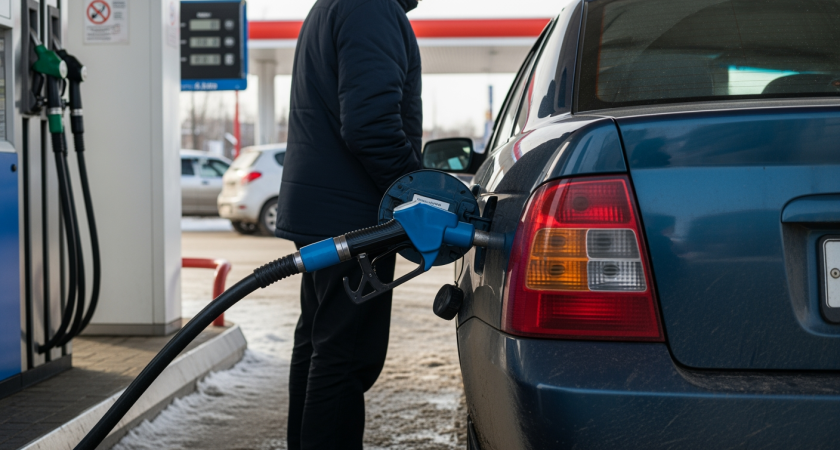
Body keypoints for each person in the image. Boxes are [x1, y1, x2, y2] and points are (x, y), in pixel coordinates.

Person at [274, 0, 422, 448]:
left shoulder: (339, 5)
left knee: (321, 346)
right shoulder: (370, 7)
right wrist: (417, 192)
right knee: (345, 357)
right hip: (354, 221)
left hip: (326, 211)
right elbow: (370, 125)